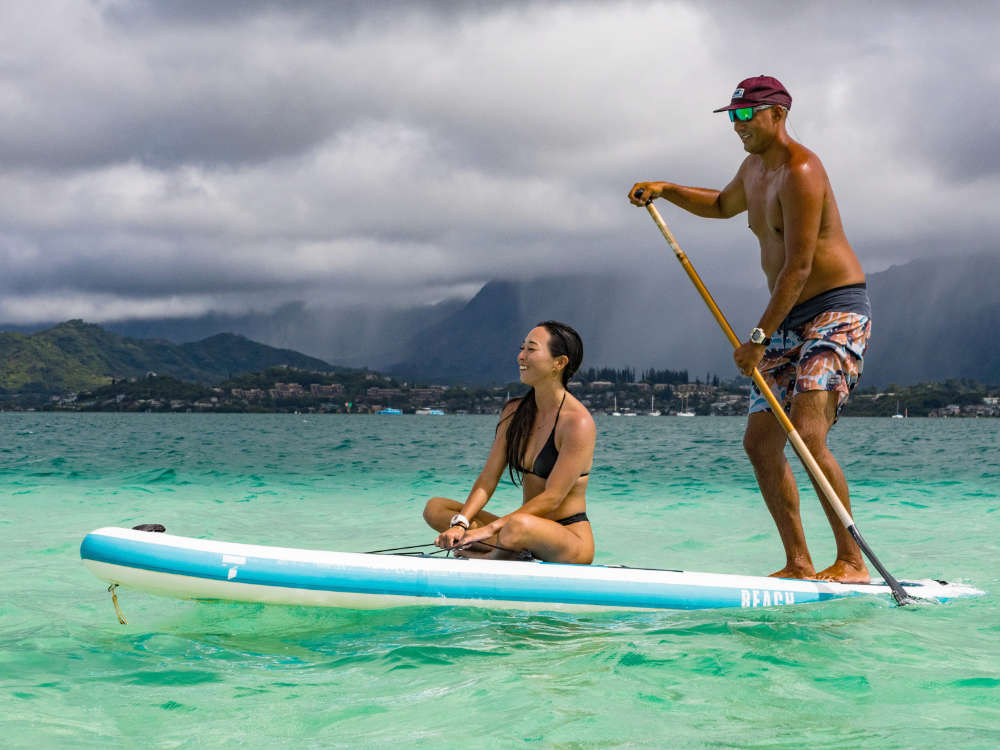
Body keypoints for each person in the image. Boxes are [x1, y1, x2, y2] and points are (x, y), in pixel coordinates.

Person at [628, 75, 871, 583]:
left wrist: (757, 340)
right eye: (732, 117)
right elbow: (720, 205)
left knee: (807, 435)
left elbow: (799, 268)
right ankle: (799, 563)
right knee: (760, 443)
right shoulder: (753, 168)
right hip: (787, 318)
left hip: (834, 310)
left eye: (746, 116)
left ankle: (851, 563)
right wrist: (667, 190)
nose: (737, 126)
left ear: (778, 115)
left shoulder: (802, 171)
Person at [423, 321, 595, 564]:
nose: (521, 356)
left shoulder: (577, 423)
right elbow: (488, 478)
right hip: (520, 531)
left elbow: (552, 498)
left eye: (531, 349)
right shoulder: (515, 412)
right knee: (436, 508)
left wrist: (487, 530)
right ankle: (509, 551)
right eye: (521, 348)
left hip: (567, 540)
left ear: (560, 362)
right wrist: (461, 524)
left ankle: (494, 556)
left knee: (518, 525)